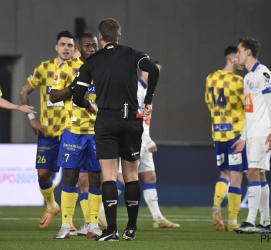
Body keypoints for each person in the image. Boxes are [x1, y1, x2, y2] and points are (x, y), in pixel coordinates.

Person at [73, 18, 159, 241]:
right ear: (119, 36)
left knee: (109, 176)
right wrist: (148, 100)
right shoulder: (133, 53)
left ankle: (111, 230)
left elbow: (77, 97)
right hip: (131, 119)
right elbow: (153, 71)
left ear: (100, 38)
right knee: (131, 175)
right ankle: (131, 229)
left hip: (107, 119)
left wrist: (88, 105)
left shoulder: (92, 61)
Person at [98, 59, 180, 229]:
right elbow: (134, 117)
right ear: (144, 71)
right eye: (154, 71)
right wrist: (146, 139)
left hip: (145, 138)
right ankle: (100, 212)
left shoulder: (146, 90)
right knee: (125, 176)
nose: (156, 75)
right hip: (138, 138)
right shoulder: (137, 89)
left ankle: (157, 217)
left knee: (150, 177)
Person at [19, 31, 76, 231]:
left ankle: (68, 219)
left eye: (70, 45)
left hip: (71, 131)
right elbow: (24, 91)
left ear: (74, 48)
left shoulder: (78, 70)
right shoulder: (44, 68)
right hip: (47, 132)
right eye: (63, 44)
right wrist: (31, 118)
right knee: (43, 175)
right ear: (56, 47)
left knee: (72, 176)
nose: (66, 48)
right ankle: (52, 205)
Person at [50, 33, 102, 239]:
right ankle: (65, 225)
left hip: (97, 133)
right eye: (87, 46)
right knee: (70, 177)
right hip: (73, 133)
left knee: (95, 178)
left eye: (94, 46)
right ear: (79, 48)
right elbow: (53, 96)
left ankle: (93, 224)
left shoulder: (102, 69)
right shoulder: (66, 68)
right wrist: (74, 87)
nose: (91, 49)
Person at [232, 37, 271, 234]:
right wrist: (243, 136)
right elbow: (249, 110)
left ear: (248, 52)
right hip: (253, 134)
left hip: (262, 133)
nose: (237, 55)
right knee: (260, 174)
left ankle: (250, 221)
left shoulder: (263, 73)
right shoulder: (248, 78)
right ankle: (265, 223)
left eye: (240, 51)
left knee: (251, 173)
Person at [205, 46, 248, 232]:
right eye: (239, 58)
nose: (242, 62)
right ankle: (232, 222)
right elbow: (248, 108)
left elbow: (209, 102)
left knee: (224, 174)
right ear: (232, 59)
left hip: (218, 134)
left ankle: (216, 205)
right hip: (235, 135)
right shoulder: (239, 82)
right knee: (236, 177)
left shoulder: (210, 78)